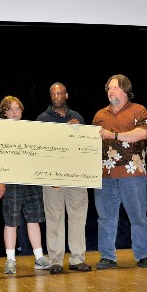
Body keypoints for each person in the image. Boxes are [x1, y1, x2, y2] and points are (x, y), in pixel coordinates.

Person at [92, 74, 147, 269]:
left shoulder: (139, 110)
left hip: (133, 175)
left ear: (126, 91)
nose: (111, 91)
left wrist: (115, 135)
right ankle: (107, 257)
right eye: (109, 88)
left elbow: (142, 133)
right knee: (105, 218)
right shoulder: (99, 115)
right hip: (105, 176)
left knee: (138, 216)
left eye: (116, 88)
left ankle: (143, 255)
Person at [36, 83, 91, 274]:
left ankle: (77, 258)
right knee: (54, 218)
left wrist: (78, 132)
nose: (56, 96)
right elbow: (40, 150)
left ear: (66, 95)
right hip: (54, 180)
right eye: (53, 93)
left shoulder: (78, 118)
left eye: (59, 93)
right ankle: (55, 260)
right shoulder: (42, 119)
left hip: (76, 176)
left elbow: (86, 148)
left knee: (78, 216)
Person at [0, 95, 49, 275]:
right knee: (11, 221)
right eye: (10, 109)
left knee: (33, 218)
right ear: (4, 113)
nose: (14, 112)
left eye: (17, 108)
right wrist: (1, 181)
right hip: (11, 182)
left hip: (30, 181)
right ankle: (10, 260)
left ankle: (39, 257)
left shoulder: (30, 129)